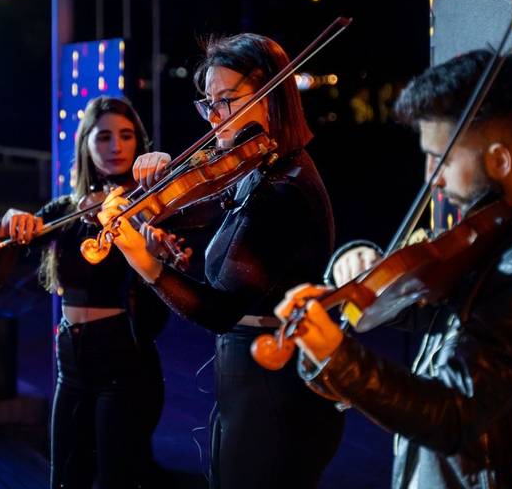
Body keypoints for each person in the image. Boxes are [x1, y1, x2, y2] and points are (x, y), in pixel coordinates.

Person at [276, 50, 512, 488]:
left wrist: (338, 357)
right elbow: (437, 307)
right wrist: (359, 264)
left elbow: (454, 414)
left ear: (500, 160)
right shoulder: (506, 226)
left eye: (440, 159)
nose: (431, 178)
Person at [98, 33, 345, 488]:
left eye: (227, 100)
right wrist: (159, 176)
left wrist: (145, 262)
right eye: (209, 102)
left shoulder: (284, 188)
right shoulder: (258, 170)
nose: (215, 117)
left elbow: (220, 310)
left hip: (274, 388)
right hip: (252, 382)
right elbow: (203, 201)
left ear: (273, 97)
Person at [0, 96, 173, 489]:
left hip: (123, 359)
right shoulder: (67, 208)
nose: (115, 147)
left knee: (118, 477)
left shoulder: (148, 203)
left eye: (126, 136)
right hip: (71, 362)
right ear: (86, 145)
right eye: (104, 137)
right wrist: (8, 222)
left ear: (138, 143)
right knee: (65, 476)